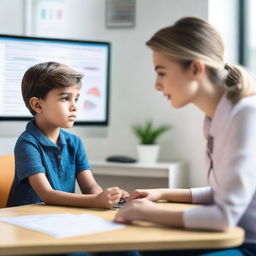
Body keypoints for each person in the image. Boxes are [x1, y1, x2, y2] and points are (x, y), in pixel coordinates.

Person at [114, 17, 256, 256]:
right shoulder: (213, 118)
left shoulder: (246, 115)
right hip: (229, 237)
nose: (156, 85)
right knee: (129, 249)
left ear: (195, 68)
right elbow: (222, 193)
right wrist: (162, 194)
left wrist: (146, 212)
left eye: (161, 73)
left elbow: (225, 215)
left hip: (248, 245)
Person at [7, 61, 140, 256]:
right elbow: (47, 194)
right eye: (65, 99)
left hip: (61, 222)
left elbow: (90, 187)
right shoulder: (27, 143)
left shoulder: (74, 143)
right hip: (30, 228)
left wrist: (108, 197)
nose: (74, 107)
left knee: (126, 250)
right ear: (37, 104)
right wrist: (96, 201)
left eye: (76, 99)